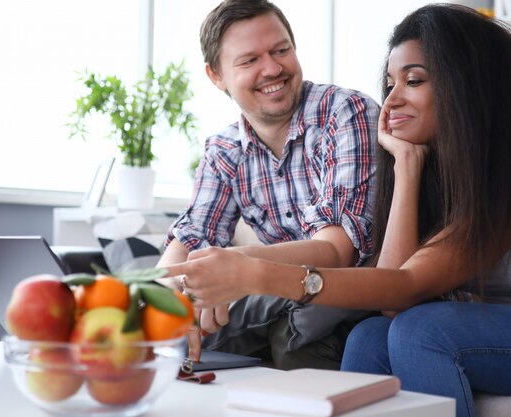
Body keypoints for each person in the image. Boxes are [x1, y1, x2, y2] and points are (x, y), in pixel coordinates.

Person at [165, 4, 511, 417]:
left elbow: (407, 284)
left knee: (422, 331)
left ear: (467, 85)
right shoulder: (434, 168)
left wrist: (254, 272)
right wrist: (408, 167)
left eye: (413, 81)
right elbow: (394, 298)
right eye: (390, 83)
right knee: (370, 336)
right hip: (481, 330)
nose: (391, 100)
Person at [157, 0, 379, 370]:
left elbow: (338, 252)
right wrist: (160, 299)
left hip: (349, 291)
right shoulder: (224, 149)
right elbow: (189, 239)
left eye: (281, 50)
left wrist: (233, 266)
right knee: (165, 330)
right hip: (281, 295)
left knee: (293, 329)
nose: (273, 69)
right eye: (249, 60)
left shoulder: (345, 112)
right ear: (216, 76)